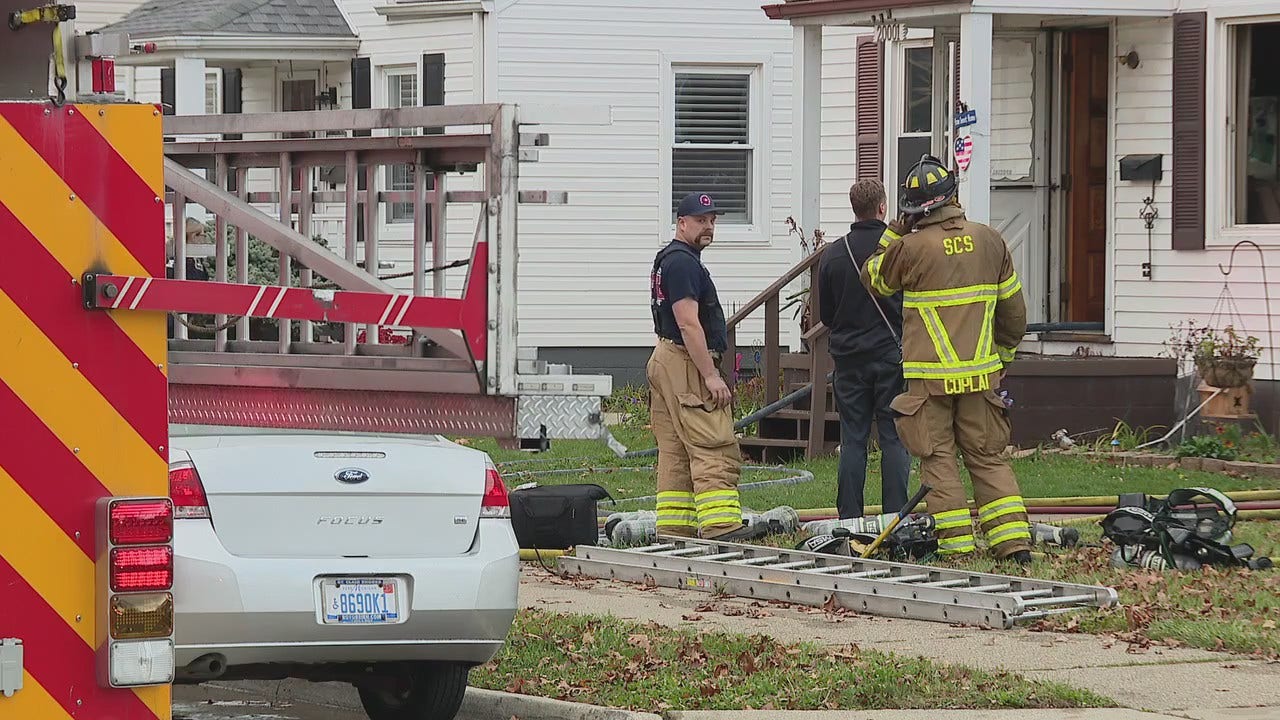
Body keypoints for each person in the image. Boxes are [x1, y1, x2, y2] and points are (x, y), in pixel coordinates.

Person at [859, 155, 1033, 564]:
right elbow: (1015, 314)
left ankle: (957, 549)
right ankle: (1014, 545)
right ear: (952, 195)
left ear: (914, 208)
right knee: (988, 458)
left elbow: (873, 277)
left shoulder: (909, 247)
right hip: (981, 378)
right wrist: (1002, 358)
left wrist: (892, 233)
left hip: (929, 383)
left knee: (938, 460)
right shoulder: (992, 241)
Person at [646, 192, 767, 543]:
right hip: (686, 361)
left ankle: (674, 529)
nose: (708, 227)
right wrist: (710, 375)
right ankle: (723, 527)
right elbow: (688, 323)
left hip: (665, 359)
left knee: (676, 451)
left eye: (712, 220)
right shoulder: (683, 262)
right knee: (712, 442)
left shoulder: (668, 259)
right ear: (681, 223)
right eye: (700, 220)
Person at [818, 178, 911, 520]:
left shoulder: (834, 254)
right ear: (883, 207)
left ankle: (850, 517)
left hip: (849, 358)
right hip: (891, 354)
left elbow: (826, 314)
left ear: (853, 208)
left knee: (853, 438)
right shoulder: (899, 250)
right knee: (893, 436)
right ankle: (895, 517)